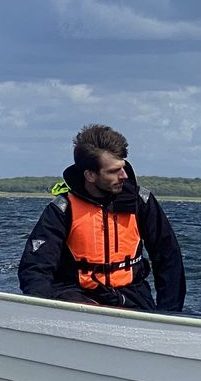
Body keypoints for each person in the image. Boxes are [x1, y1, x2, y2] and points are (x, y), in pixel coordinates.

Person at [18, 124, 186, 312]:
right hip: (77, 295)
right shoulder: (63, 209)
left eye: (123, 167)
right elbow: (35, 268)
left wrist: (169, 313)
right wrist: (43, 313)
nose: (124, 175)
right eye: (113, 171)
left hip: (131, 295)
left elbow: (168, 257)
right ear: (90, 175)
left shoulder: (141, 202)